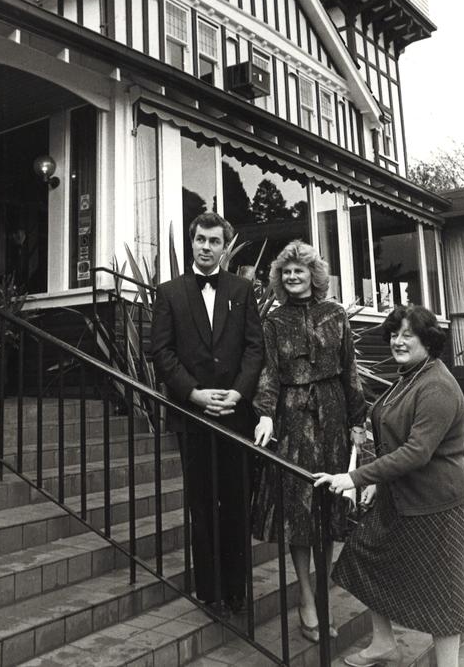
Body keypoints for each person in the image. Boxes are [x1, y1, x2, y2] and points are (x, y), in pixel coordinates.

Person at [315, 304, 464, 667]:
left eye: (407, 335)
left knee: (443, 592)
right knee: (363, 557)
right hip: (398, 495)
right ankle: (384, 642)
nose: (397, 342)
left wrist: (355, 477)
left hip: (434, 502)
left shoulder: (438, 386)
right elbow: (390, 437)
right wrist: (377, 480)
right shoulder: (410, 375)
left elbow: (417, 452)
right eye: (394, 334)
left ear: (427, 341)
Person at [252, 240, 367, 642]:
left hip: (333, 414)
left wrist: (358, 420)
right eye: (286, 271)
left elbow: (351, 368)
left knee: (329, 506)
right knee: (297, 510)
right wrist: (266, 412)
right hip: (292, 416)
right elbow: (268, 371)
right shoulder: (274, 319)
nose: (293, 275)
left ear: (313, 275)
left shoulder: (336, 314)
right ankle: (306, 596)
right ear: (279, 278)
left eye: (300, 269)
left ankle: (323, 593)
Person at [151, 211, 264, 615]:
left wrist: (237, 393)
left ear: (224, 246)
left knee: (235, 502)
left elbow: (255, 348)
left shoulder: (243, 289)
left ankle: (237, 590)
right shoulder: (169, 293)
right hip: (193, 415)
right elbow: (161, 352)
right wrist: (195, 394)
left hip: (236, 415)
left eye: (214, 241)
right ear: (192, 241)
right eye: (200, 239)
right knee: (202, 502)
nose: (205, 247)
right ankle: (210, 591)